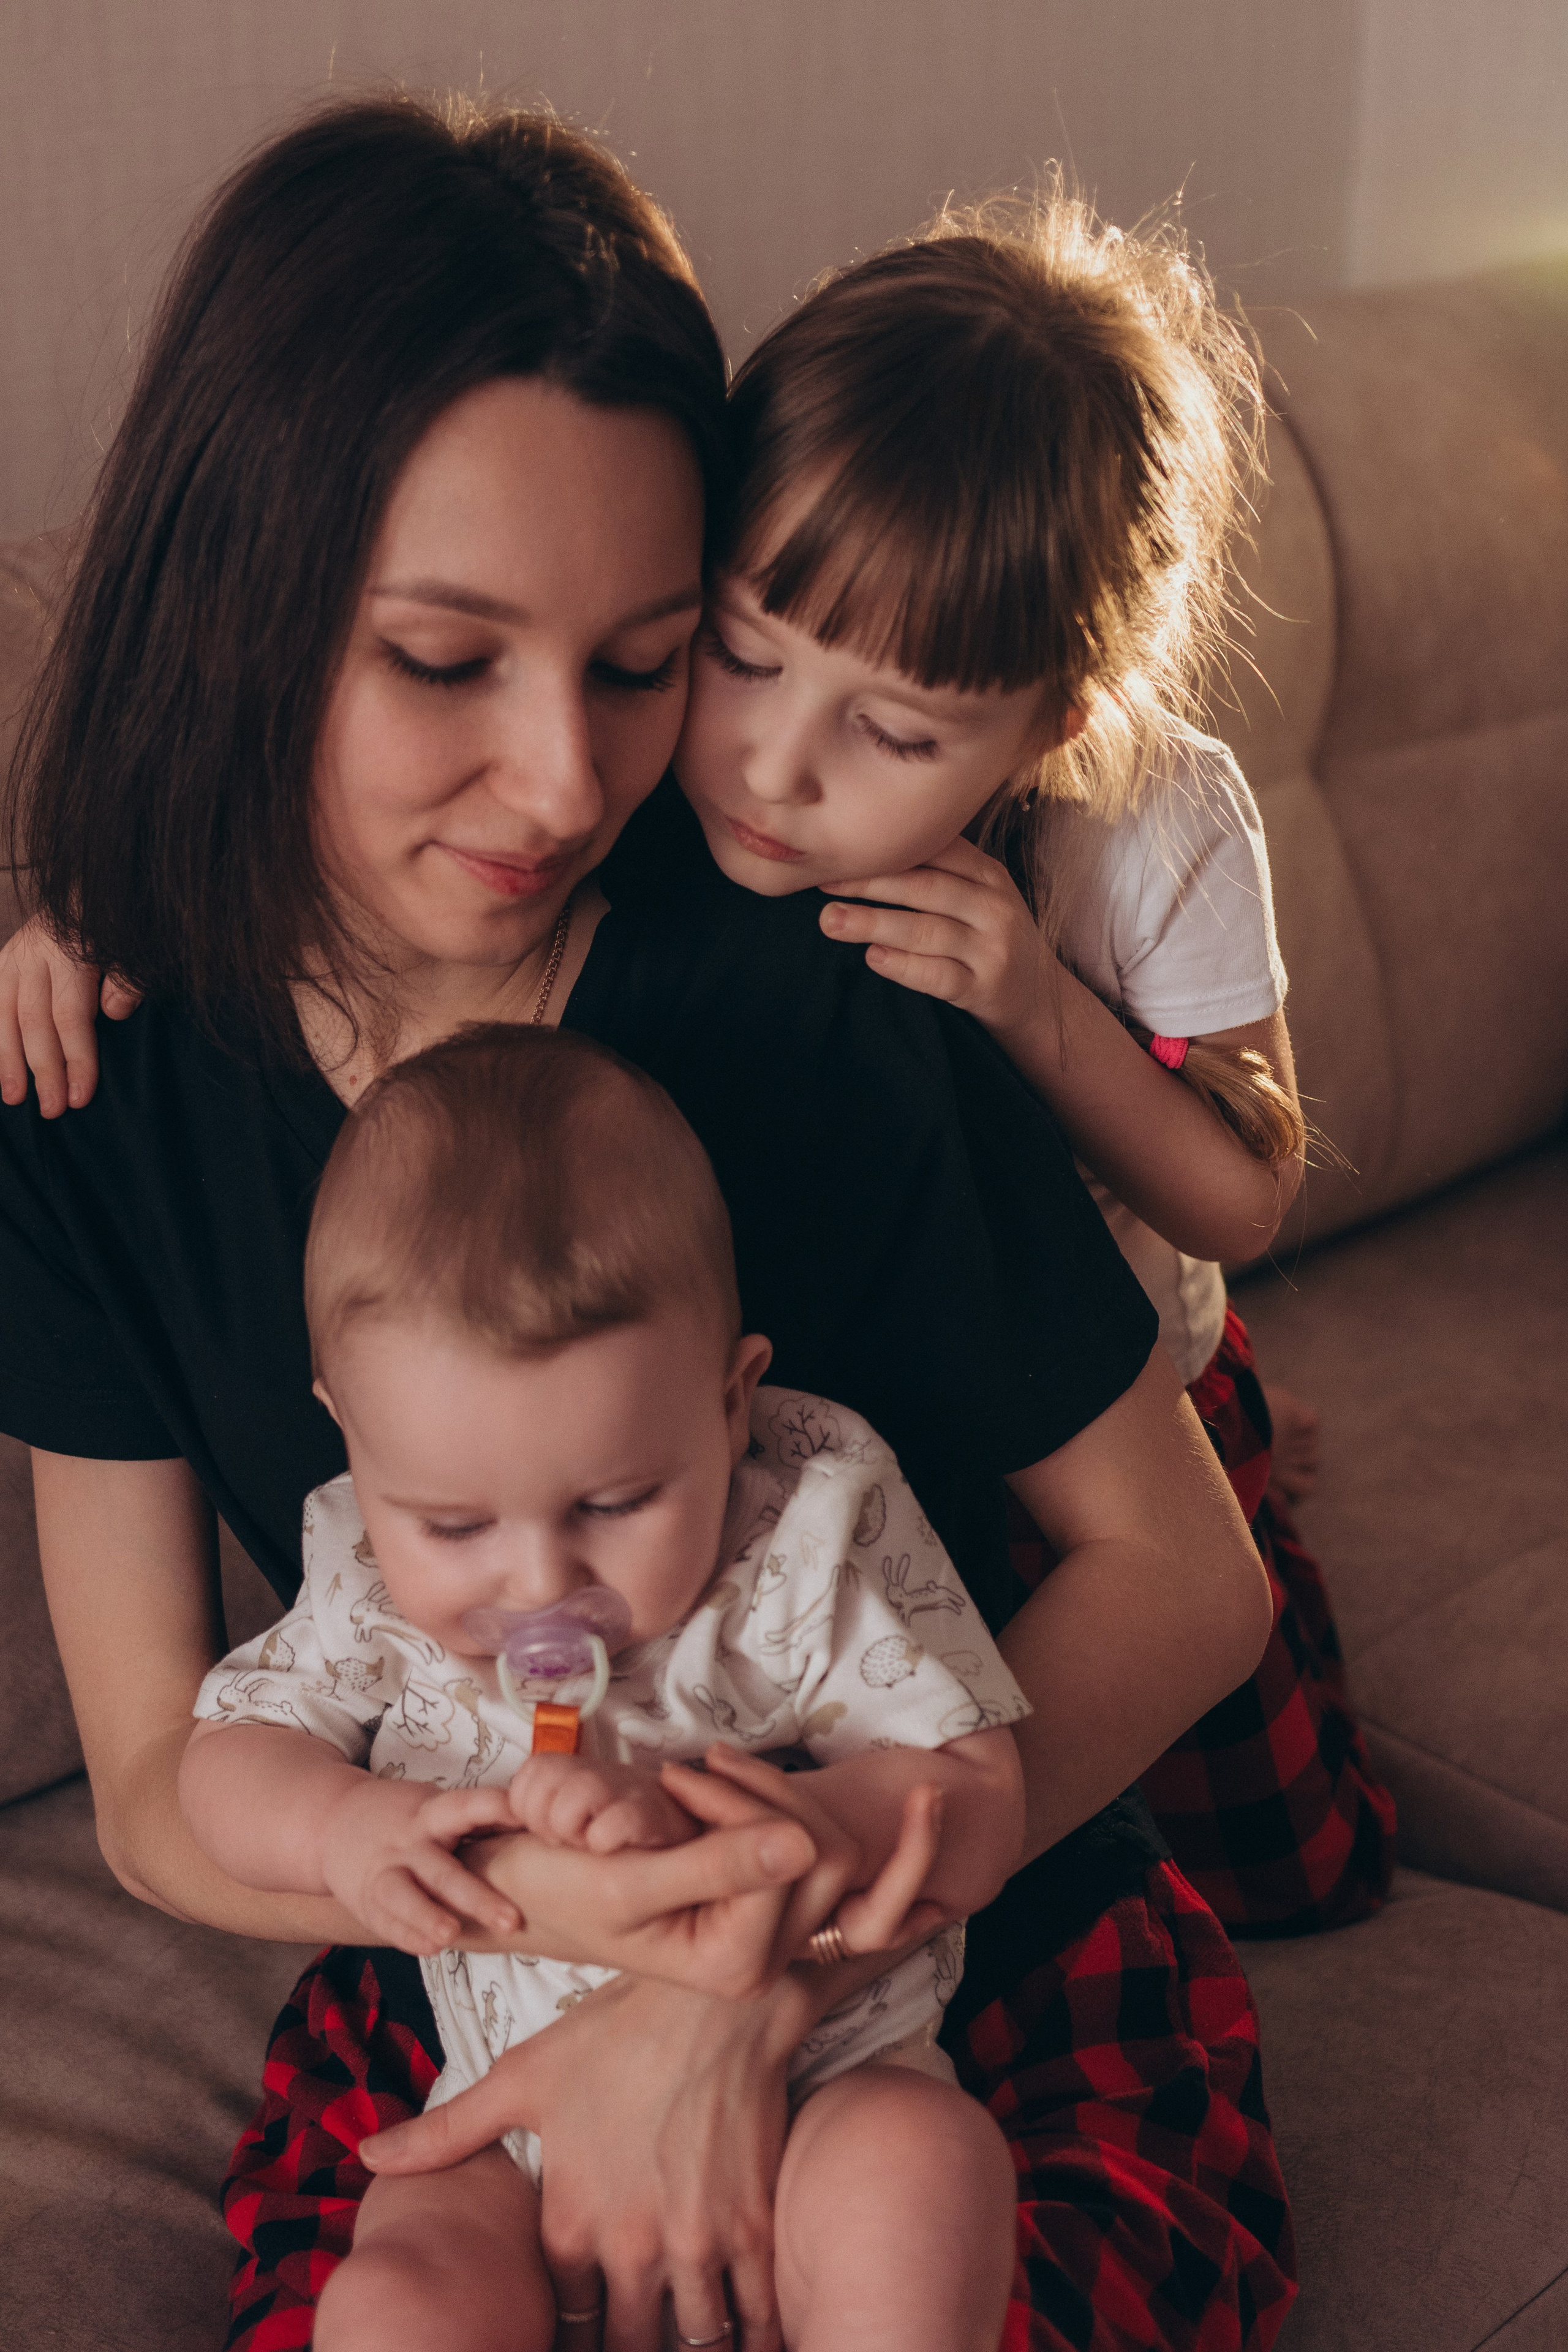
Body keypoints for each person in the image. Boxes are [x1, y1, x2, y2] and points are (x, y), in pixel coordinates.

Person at [0, 95, 1289, 2352]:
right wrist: (584, 1943)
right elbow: (143, 1792)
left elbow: (1185, 1580)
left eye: (636, 662)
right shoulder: (85, 1080)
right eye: (440, 661)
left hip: (948, 1949)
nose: (566, 787)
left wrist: (745, 1990)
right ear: (245, 603)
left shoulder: (807, 989)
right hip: (486, 1970)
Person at [666, 186, 1396, 1937]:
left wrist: (1037, 1009)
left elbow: (1246, 1179)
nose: (774, 766)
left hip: (1121, 1397)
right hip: (857, 1421)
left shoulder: (1149, 818)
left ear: (1059, 716)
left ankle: (1255, 1439)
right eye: (740, 652)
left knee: (1290, 1870)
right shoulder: (650, 755)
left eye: (896, 731)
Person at [184, 1022, 1030, 2352]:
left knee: (921, 2173)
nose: (538, 1580)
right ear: (349, 1428)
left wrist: (807, 1834)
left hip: (825, 2078)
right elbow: (221, 1760)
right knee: (394, 2305)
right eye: (455, 1527)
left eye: (617, 1501)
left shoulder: (793, 1534)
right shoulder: (359, 1567)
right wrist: (341, 1828)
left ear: (731, 1399)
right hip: (498, 2116)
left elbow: (979, 1794)